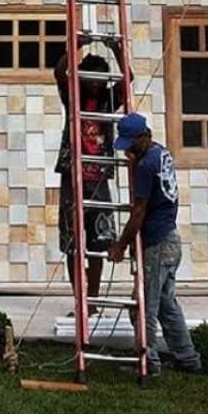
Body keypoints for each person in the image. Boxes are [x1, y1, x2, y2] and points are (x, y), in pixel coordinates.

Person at [109, 112, 201, 377]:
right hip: (171, 240)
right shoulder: (161, 153)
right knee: (165, 304)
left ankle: (149, 364)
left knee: (143, 308)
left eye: (131, 145)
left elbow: (139, 212)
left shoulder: (146, 166)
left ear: (144, 136)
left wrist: (121, 244)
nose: (128, 151)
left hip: (159, 244)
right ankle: (188, 357)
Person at [54, 33, 129, 310]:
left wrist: (117, 50)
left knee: (98, 240)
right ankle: (80, 299)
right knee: (73, 241)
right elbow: (59, 72)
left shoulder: (108, 102)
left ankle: (93, 298)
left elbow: (128, 80)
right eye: (91, 78)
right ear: (83, 78)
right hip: (73, 177)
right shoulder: (73, 97)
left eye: (100, 79)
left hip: (98, 178)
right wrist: (76, 46)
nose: (96, 84)